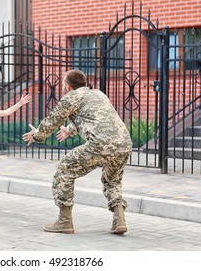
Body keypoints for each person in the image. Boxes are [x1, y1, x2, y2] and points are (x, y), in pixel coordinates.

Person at [22, 69, 132, 234]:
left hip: (100, 144)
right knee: (112, 181)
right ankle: (119, 220)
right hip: (124, 143)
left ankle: (64, 221)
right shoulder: (98, 94)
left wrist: (38, 135)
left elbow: (53, 120)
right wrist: (69, 130)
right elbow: (93, 117)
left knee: (65, 170)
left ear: (68, 86)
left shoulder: (71, 97)